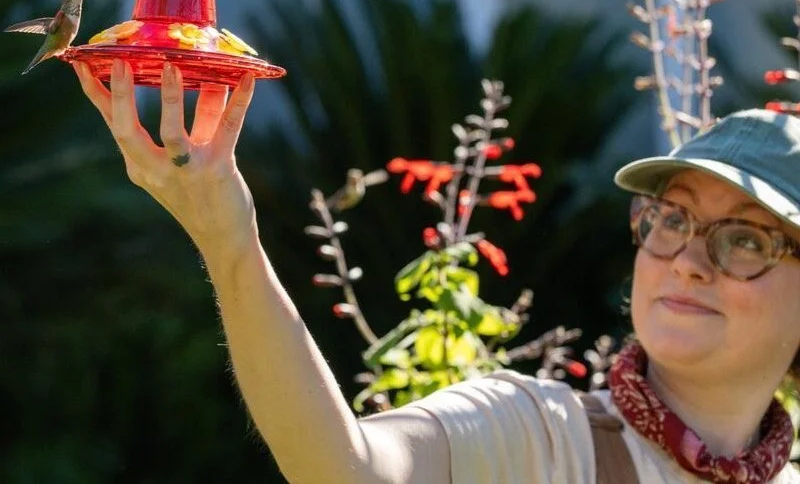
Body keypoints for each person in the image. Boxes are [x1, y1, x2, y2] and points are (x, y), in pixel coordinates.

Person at [74, 58, 800, 483]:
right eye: (671, 220)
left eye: (743, 241)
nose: (689, 262)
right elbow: (343, 470)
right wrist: (230, 242)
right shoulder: (535, 435)